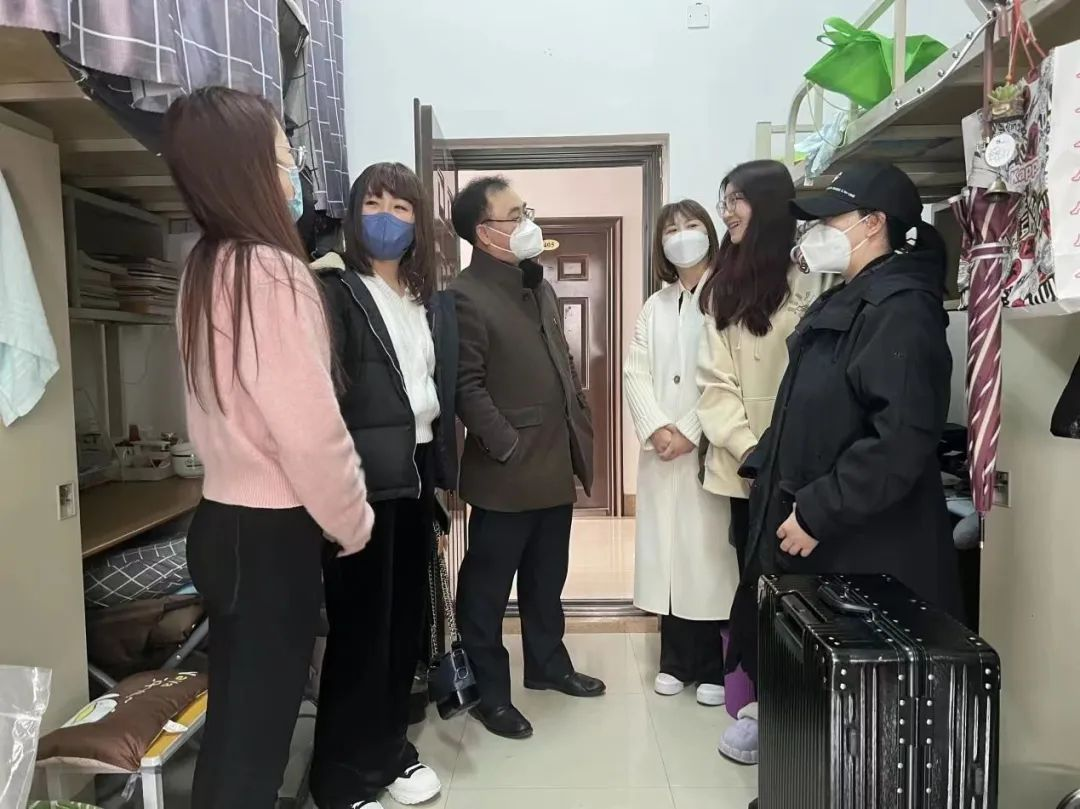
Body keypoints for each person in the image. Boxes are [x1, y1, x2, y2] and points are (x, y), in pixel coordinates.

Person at [162, 86, 374, 809]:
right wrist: (352, 519)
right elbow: (309, 430)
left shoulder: (204, 268)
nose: (295, 175)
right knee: (255, 748)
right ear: (247, 169)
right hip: (269, 535)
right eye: (285, 159)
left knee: (235, 732)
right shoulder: (270, 271)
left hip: (221, 523)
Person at [734, 161, 960, 769]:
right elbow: (813, 408)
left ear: (872, 223)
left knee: (867, 719)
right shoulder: (849, 298)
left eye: (828, 220)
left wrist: (818, 510)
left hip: (863, 544)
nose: (813, 235)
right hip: (818, 530)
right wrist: (764, 465)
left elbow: (899, 440)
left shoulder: (901, 309)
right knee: (817, 696)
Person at [310, 163, 459, 809]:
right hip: (361, 481)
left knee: (404, 627)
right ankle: (340, 777)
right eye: (374, 203)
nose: (387, 217)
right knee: (360, 630)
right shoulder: (336, 289)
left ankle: (390, 749)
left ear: (418, 223)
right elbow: (322, 397)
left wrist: (441, 481)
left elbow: (428, 395)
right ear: (352, 212)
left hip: (414, 472)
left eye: (401, 207)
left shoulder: (422, 299)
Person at [449, 175, 604, 740]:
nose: (527, 224)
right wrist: (508, 445)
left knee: (546, 578)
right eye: (514, 215)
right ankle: (490, 694)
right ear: (483, 232)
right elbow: (466, 387)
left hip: (554, 463)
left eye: (526, 211)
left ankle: (548, 665)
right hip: (506, 473)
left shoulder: (537, 285)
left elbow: (560, 360)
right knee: (487, 592)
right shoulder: (464, 296)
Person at [695, 160, 833, 764]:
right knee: (757, 586)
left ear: (771, 203)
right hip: (746, 466)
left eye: (738, 199)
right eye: (724, 199)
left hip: (810, 462)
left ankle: (808, 705)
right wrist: (751, 451)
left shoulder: (816, 274)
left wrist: (787, 452)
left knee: (810, 589)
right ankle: (758, 704)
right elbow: (714, 382)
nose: (727, 212)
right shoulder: (722, 286)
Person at [624, 199, 738, 707]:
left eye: (692, 225)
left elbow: (727, 376)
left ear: (710, 234)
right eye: (672, 230)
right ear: (661, 245)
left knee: (708, 557)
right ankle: (674, 660)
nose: (682, 236)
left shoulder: (728, 297)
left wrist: (690, 431)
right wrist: (656, 428)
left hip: (708, 448)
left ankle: (713, 664)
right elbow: (635, 373)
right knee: (667, 555)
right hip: (661, 452)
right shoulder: (655, 304)